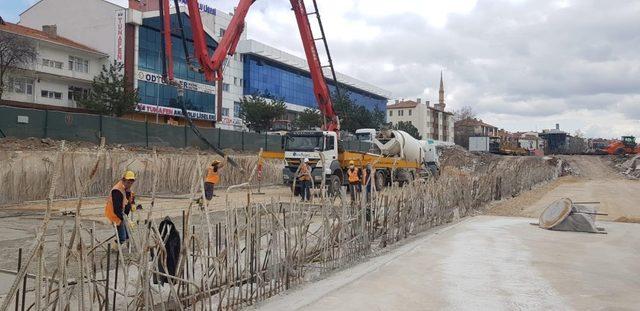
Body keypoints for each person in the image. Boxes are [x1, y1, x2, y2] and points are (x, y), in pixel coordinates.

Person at [104, 171, 137, 248]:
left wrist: (133, 204)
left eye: (131, 182)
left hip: (122, 214)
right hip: (115, 215)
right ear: (123, 180)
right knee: (122, 237)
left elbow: (130, 199)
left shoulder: (127, 189)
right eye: (128, 182)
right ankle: (114, 249)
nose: (129, 184)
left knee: (127, 233)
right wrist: (126, 220)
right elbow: (117, 210)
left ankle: (129, 248)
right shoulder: (117, 191)